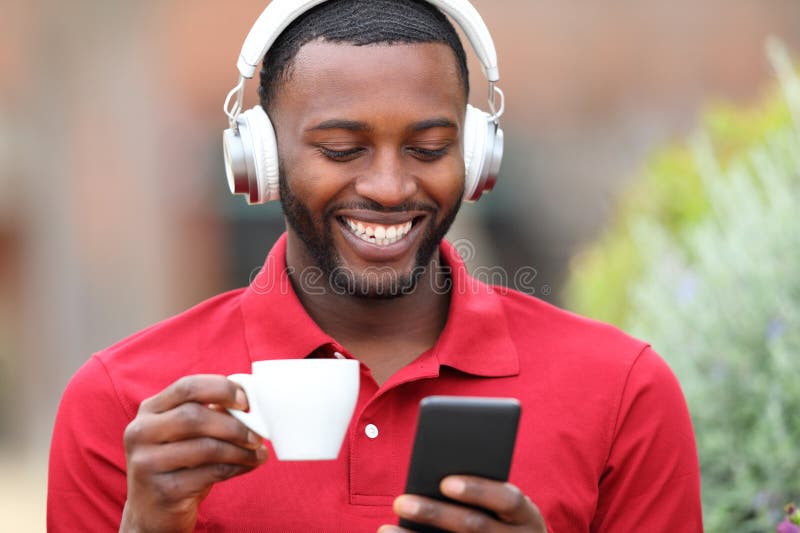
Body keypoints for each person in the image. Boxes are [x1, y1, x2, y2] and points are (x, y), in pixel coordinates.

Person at [47, 0, 703, 531]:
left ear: (476, 159)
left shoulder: (623, 392)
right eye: (341, 149)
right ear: (260, 158)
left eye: (428, 147)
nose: (390, 186)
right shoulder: (121, 404)